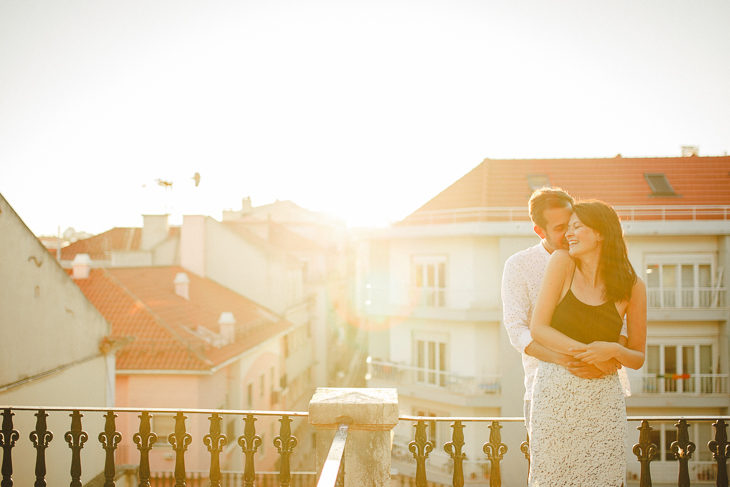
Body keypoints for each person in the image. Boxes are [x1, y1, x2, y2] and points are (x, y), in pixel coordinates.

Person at [528, 200, 647, 486]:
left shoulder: (633, 286)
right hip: (555, 393)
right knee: (552, 479)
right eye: (567, 227)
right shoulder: (562, 262)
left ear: (601, 233)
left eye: (577, 226)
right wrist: (590, 356)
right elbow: (538, 329)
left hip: (604, 399)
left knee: (603, 477)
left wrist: (614, 351)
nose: (569, 233)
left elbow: (637, 356)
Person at [501, 188, 621, 431]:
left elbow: (621, 321)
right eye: (559, 228)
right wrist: (564, 360)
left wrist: (608, 358)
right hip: (544, 387)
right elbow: (516, 330)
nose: (569, 233)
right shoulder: (519, 265)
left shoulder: (594, 260)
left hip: (599, 386)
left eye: (573, 224)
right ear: (539, 231)